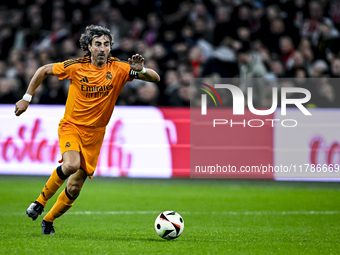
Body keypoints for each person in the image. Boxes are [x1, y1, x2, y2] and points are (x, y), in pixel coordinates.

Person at [14, 25, 160, 235]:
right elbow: (43, 70)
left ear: (110, 48)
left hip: (96, 135)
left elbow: (155, 78)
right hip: (72, 126)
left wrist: (141, 70)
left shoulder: (118, 68)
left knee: (74, 188)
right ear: (89, 47)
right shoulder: (76, 66)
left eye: (106, 44)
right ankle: (39, 202)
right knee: (71, 164)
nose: (102, 48)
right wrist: (26, 98)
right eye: (98, 44)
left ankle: (48, 220)